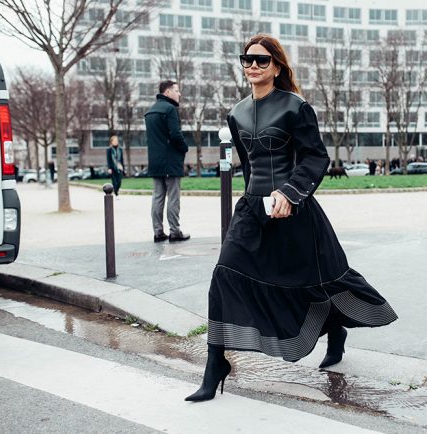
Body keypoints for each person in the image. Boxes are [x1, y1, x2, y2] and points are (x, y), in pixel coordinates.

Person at [185, 35, 397, 402]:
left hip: (294, 209)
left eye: (261, 60)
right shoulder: (236, 113)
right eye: (247, 59)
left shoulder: (296, 107)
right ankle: (215, 363)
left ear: (277, 66)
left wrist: (289, 193)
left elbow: (315, 157)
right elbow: (248, 166)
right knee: (224, 275)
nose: (253, 65)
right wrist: (253, 203)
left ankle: (336, 330)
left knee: (315, 282)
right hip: (252, 211)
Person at [144, 80, 190, 243]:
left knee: (157, 196)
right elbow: (175, 135)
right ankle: (174, 231)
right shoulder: (170, 109)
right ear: (168, 92)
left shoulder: (150, 112)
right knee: (173, 197)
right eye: (177, 91)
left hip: (155, 161)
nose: (179, 94)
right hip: (170, 160)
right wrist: (185, 148)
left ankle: (158, 232)